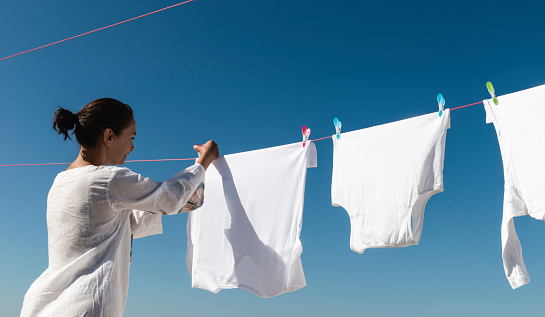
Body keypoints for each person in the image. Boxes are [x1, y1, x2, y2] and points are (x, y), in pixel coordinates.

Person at [20, 98, 219, 316]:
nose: (133, 147)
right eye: (131, 137)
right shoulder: (108, 180)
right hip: (87, 306)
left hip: (43, 306)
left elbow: (120, 225)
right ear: (109, 136)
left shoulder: (59, 183)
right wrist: (203, 162)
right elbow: (171, 198)